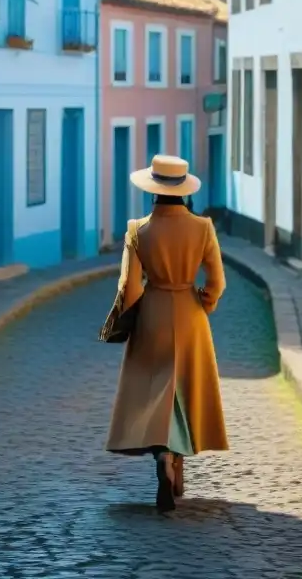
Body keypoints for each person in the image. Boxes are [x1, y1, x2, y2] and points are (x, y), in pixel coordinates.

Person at [105, 154, 229, 513]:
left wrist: (128, 317)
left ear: (152, 191)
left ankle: (161, 455)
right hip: (190, 314)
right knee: (185, 390)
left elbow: (129, 285)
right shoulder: (203, 228)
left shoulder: (137, 229)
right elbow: (217, 281)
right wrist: (203, 304)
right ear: (184, 193)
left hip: (153, 314)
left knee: (155, 390)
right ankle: (176, 459)